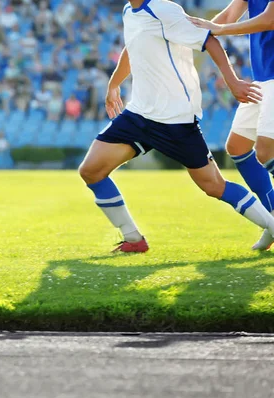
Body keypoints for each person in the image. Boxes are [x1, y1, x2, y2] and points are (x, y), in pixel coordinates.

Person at [78, 0, 272, 253]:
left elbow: (209, 40)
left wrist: (233, 82)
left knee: (213, 186)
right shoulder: (129, 11)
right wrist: (114, 83)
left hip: (175, 119)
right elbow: (133, 47)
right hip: (139, 114)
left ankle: (271, 225)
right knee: (91, 170)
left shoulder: (164, 10)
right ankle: (134, 239)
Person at [188, 0, 274, 250]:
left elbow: (269, 19)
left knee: (265, 151)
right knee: (237, 147)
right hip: (262, 79)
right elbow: (227, 16)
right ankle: (271, 219)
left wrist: (217, 30)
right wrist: (192, 31)